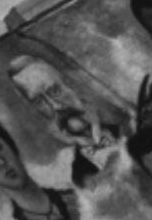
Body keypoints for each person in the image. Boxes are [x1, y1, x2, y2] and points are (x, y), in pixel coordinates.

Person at [7, 55, 124, 187]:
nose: (55, 106)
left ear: (70, 83)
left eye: (55, 90)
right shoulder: (69, 169)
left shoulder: (123, 124)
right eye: (39, 101)